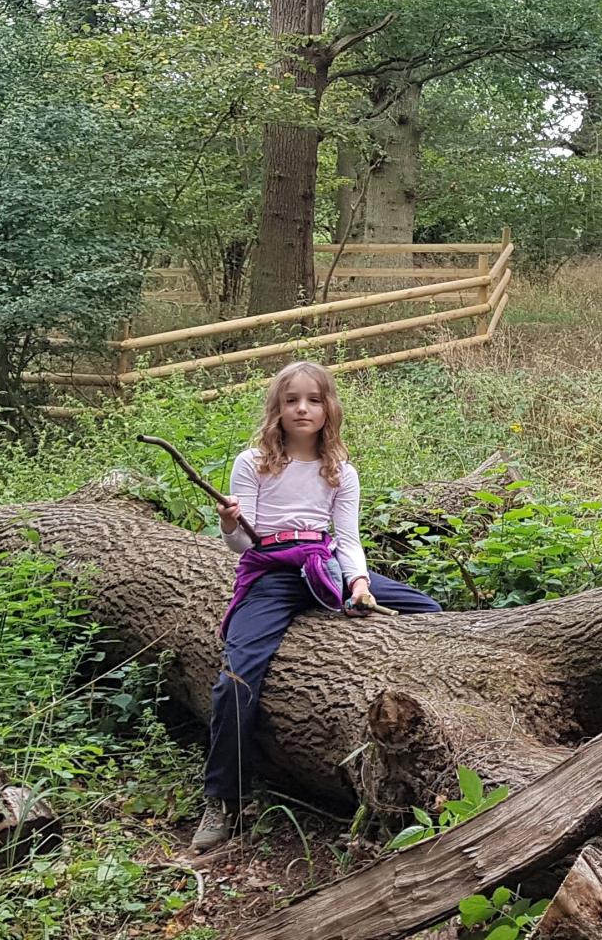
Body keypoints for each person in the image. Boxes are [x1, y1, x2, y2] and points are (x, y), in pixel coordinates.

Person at [193, 361, 441, 852]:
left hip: (323, 568)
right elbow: (242, 548)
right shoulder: (253, 463)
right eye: (291, 400)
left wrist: (359, 583)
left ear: (329, 408)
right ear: (277, 409)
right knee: (235, 682)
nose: (302, 409)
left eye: (313, 399)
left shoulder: (340, 471)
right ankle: (223, 796)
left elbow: (346, 539)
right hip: (271, 576)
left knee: (427, 608)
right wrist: (229, 524)